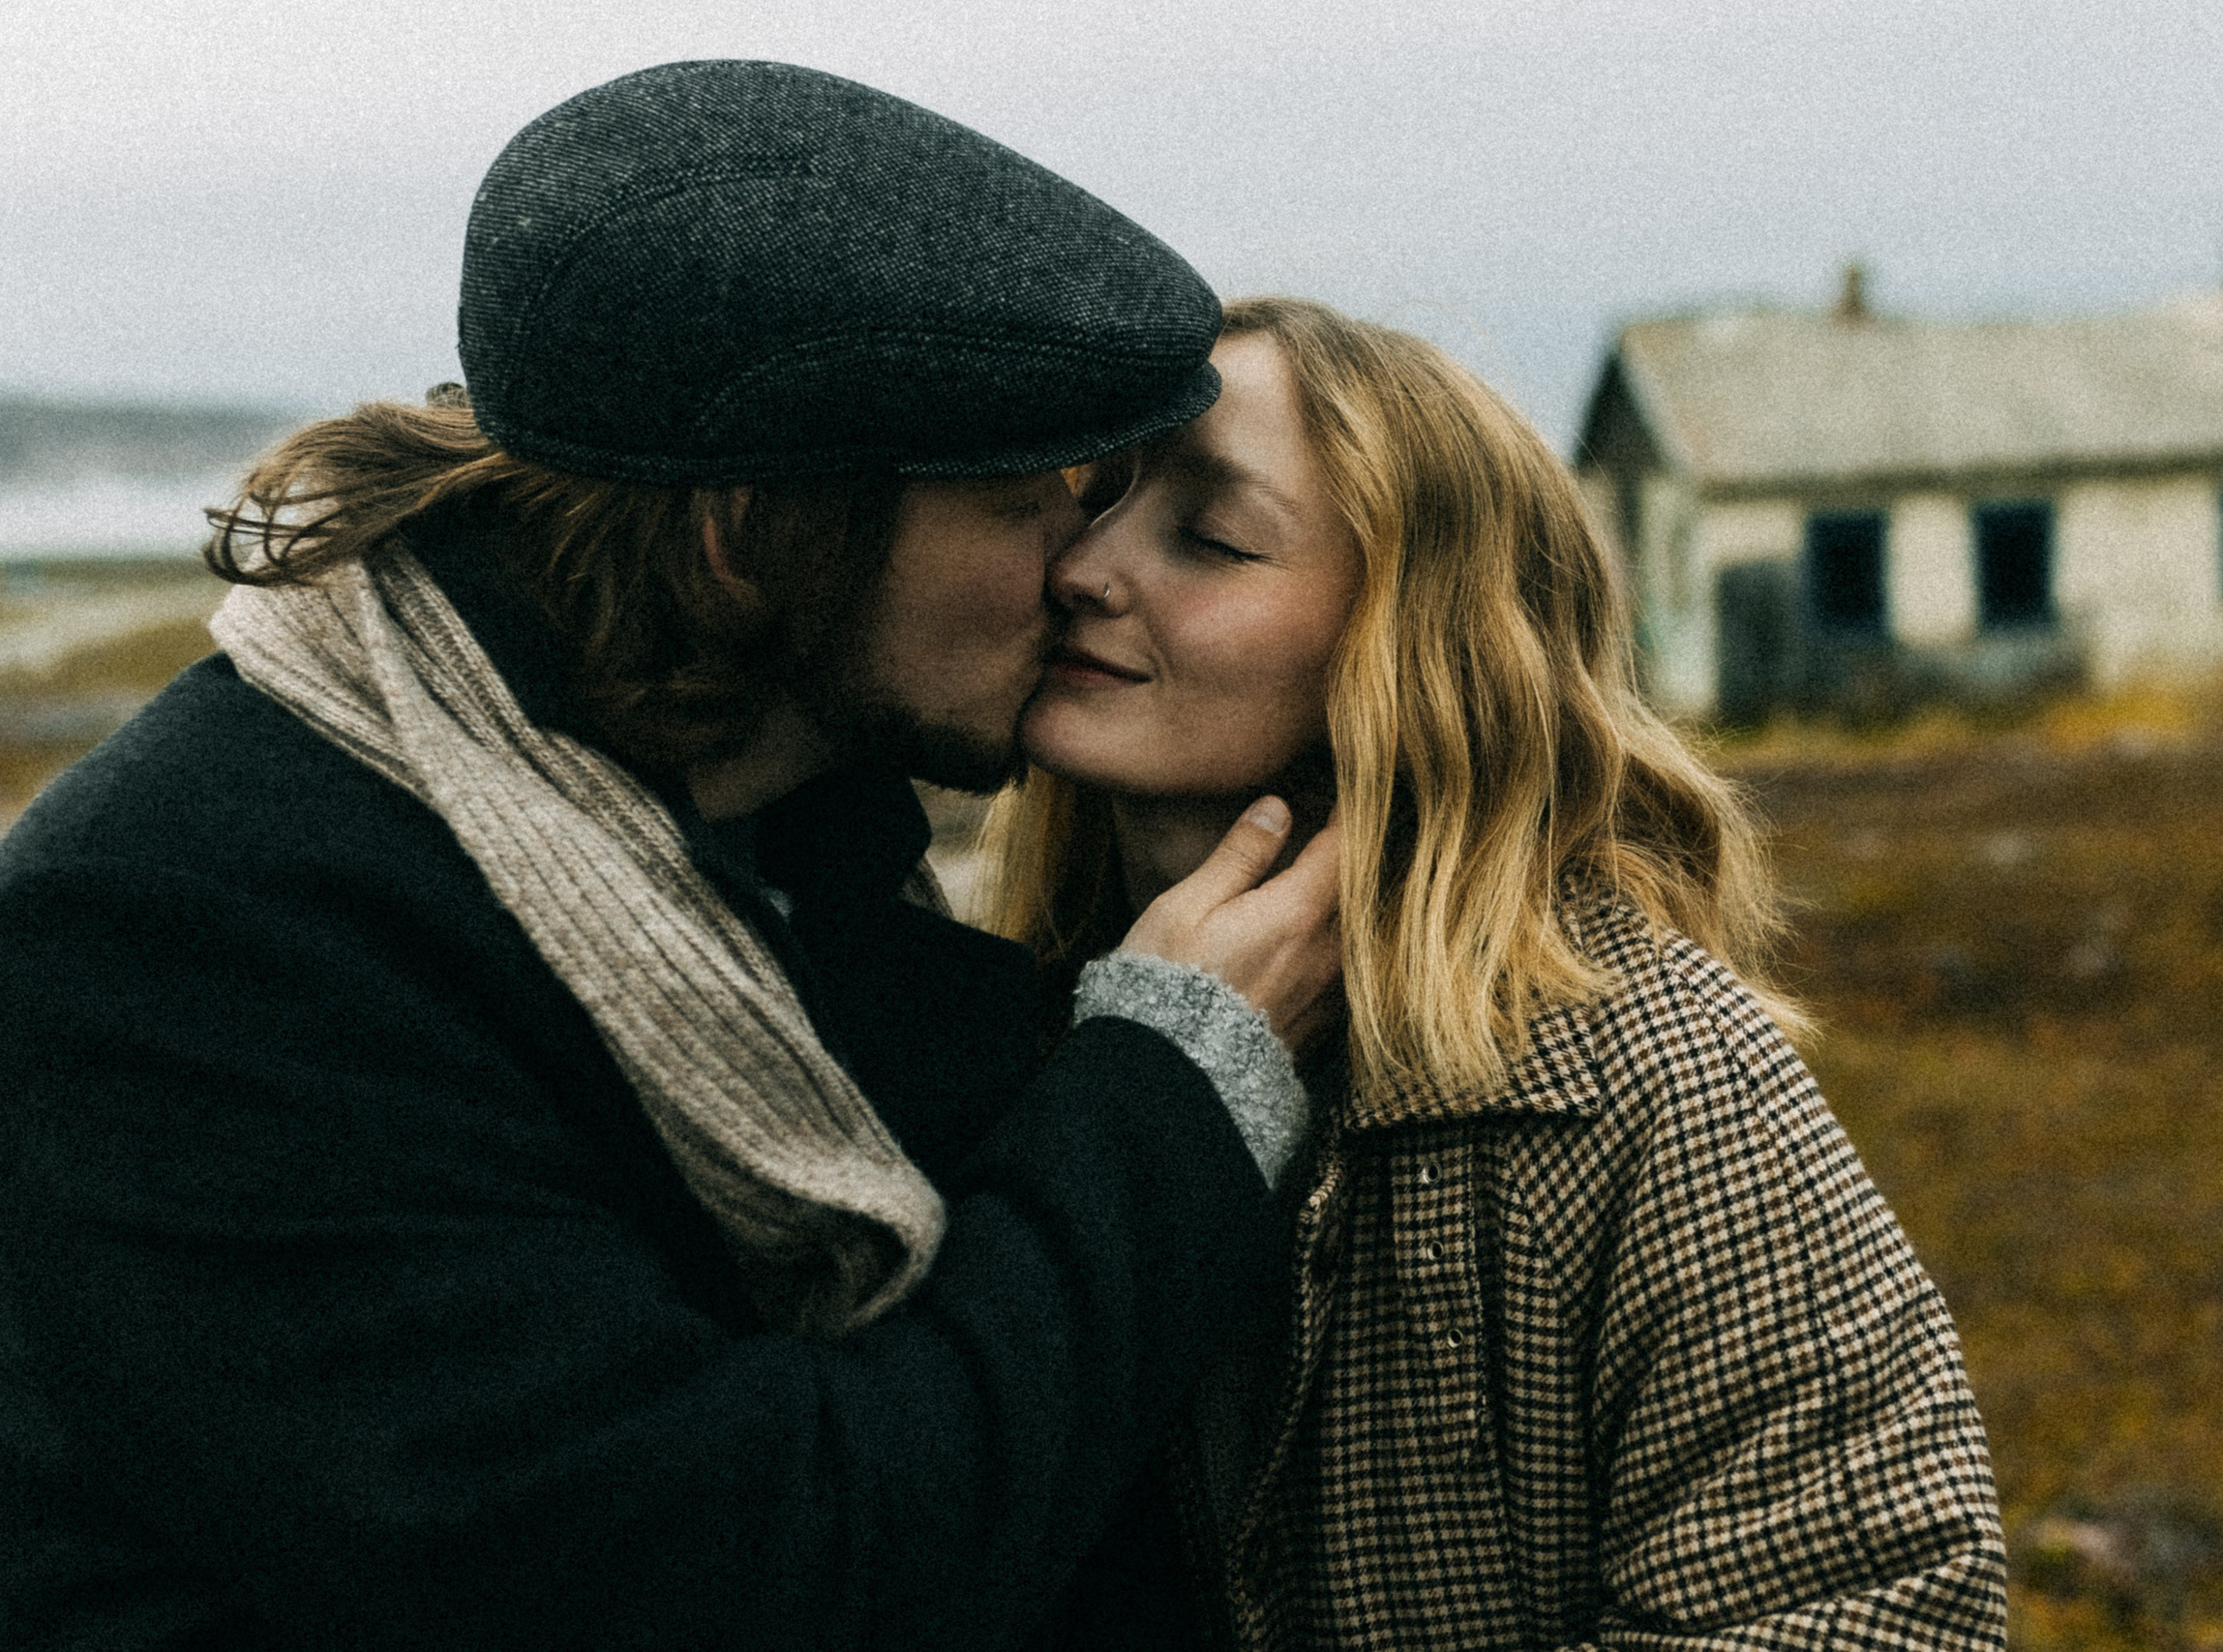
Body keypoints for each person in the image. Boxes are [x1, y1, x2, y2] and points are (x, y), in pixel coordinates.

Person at [0, 64, 1341, 1651]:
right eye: (1024, 503)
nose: (1087, 570)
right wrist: (1166, 1096)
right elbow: (732, 1572)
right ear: (752, 532)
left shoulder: (771, 827)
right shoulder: (190, 935)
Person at [978, 296, 2012, 1648]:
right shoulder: (998, 1030)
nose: (1082, 567)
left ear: (1412, 648)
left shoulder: (1650, 1082)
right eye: (1093, 497)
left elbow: (1883, 1612)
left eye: (1213, 538)